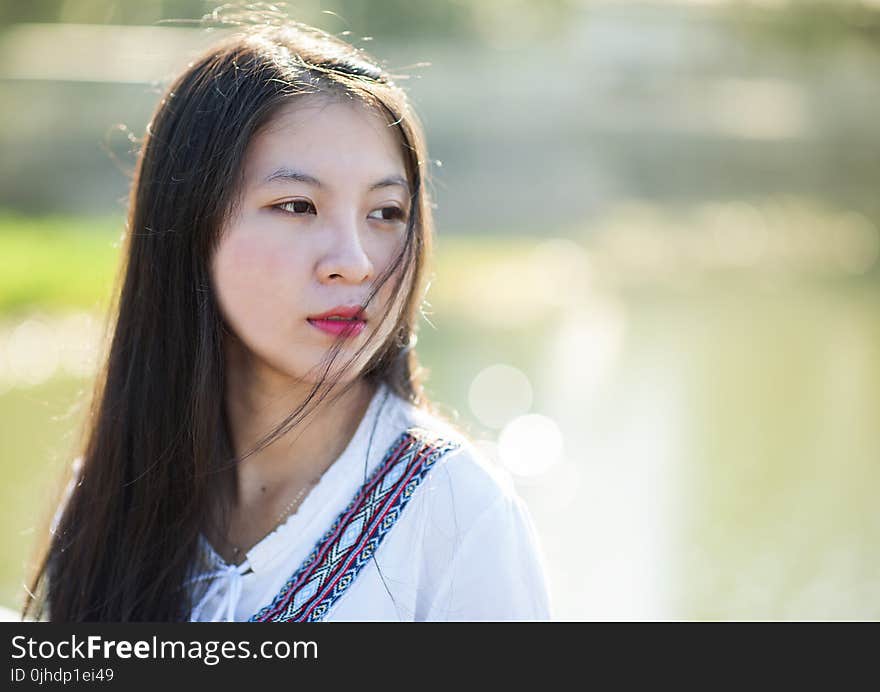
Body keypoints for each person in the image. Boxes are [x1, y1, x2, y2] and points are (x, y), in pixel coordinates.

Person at [22, 18, 553, 622]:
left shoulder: (459, 515)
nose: (355, 264)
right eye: (297, 206)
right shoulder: (115, 498)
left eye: (386, 212)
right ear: (188, 228)